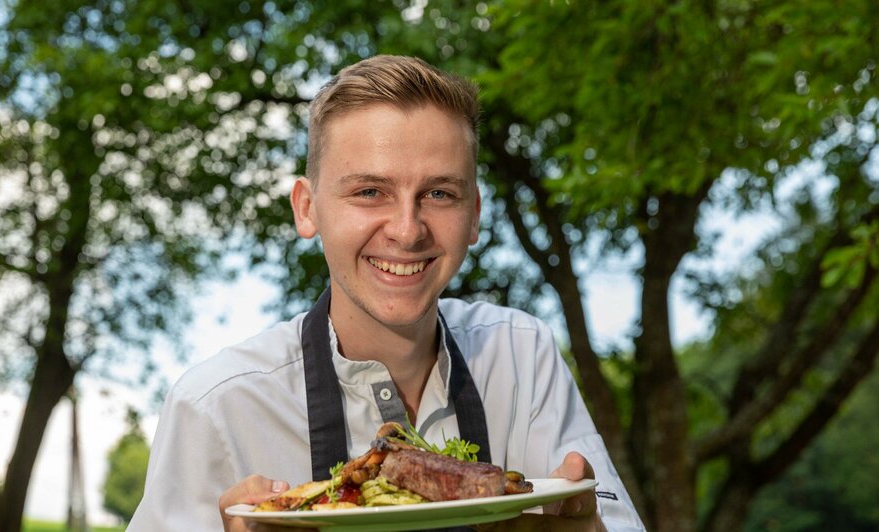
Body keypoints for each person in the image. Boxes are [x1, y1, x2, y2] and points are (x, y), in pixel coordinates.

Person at [128, 55, 644, 532]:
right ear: (307, 209)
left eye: (439, 193)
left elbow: (610, 516)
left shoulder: (522, 354)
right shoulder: (215, 408)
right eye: (369, 192)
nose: (407, 229)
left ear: (475, 215)